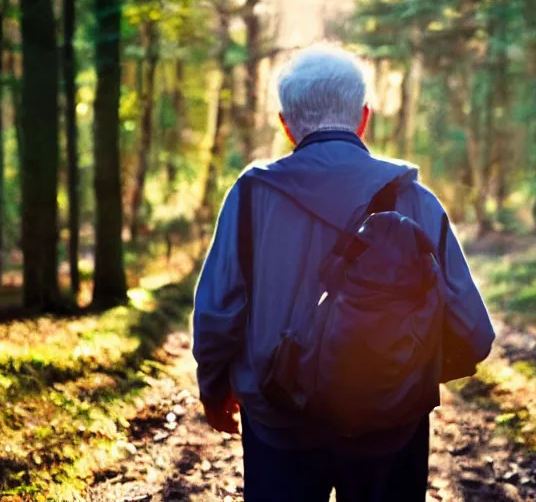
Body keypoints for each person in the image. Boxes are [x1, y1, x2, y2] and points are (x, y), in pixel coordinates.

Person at [191, 44, 495, 502]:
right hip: (390, 423)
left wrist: (214, 388)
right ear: (363, 118)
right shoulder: (417, 200)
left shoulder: (252, 197)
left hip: (277, 420)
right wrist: (409, 372)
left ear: (286, 124)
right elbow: (473, 331)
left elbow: (219, 310)